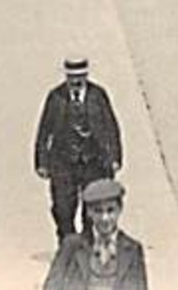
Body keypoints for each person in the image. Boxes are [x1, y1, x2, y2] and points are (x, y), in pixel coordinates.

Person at [34, 56, 123, 240]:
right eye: (71, 78)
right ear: (66, 77)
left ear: (86, 76)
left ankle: (87, 245)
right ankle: (67, 246)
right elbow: (44, 130)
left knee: (92, 206)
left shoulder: (98, 96)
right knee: (63, 208)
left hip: (93, 161)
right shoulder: (56, 97)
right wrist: (41, 162)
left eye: (80, 77)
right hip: (63, 162)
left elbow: (111, 127)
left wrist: (115, 157)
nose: (75, 82)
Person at [41, 179, 150, 290]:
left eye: (110, 210)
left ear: (119, 210)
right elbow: (51, 289)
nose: (105, 218)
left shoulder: (132, 250)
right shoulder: (72, 246)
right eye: (98, 211)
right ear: (90, 213)